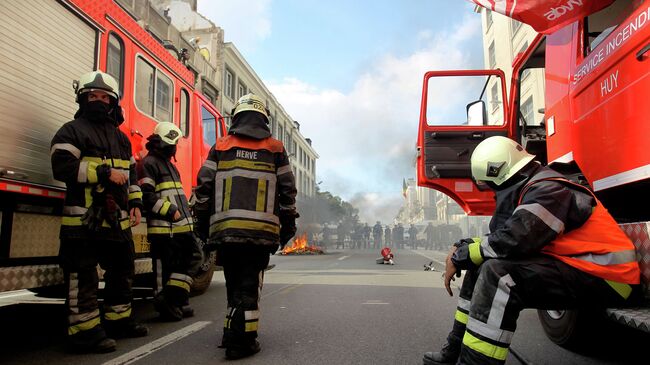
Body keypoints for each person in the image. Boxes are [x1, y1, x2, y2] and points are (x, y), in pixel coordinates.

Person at [423, 136, 640, 365]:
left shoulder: (550, 189)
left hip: (609, 278)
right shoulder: (534, 187)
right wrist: (463, 248)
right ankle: (455, 349)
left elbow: (517, 239)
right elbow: (507, 236)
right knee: (481, 266)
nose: (492, 193)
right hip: (581, 268)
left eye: (490, 185)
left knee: (498, 274)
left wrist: (462, 256)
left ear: (501, 175)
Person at [50, 71, 148, 353]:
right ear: (82, 98)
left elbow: (131, 177)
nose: (98, 101)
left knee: (122, 270)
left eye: (103, 97)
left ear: (112, 102)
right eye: (92, 96)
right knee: (84, 275)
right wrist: (103, 173)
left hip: (117, 220)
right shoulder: (71, 130)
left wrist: (136, 205)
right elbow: (62, 167)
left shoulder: (121, 139)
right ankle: (85, 333)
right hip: (83, 220)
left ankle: (119, 321)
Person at [194, 93, 298, 360]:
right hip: (260, 235)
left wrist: (202, 225)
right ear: (264, 118)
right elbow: (288, 191)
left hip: (225, 233)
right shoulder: (275, 148)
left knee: (233, 283)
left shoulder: (221, 145)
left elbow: (203, 187)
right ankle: (243, 342)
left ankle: (231, 334)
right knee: (249, 287)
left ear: (236, 117)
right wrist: (287, 226)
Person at [137, 122, 200, 321]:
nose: (175, 147)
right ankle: (165, 305)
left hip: (180, 228)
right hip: (163, 230)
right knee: (163, 272)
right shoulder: (148, 164)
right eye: (172, 143)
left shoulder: (169, 165)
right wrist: (170, 211)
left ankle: (175, 300)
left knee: (190, 261)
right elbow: (146, 196)